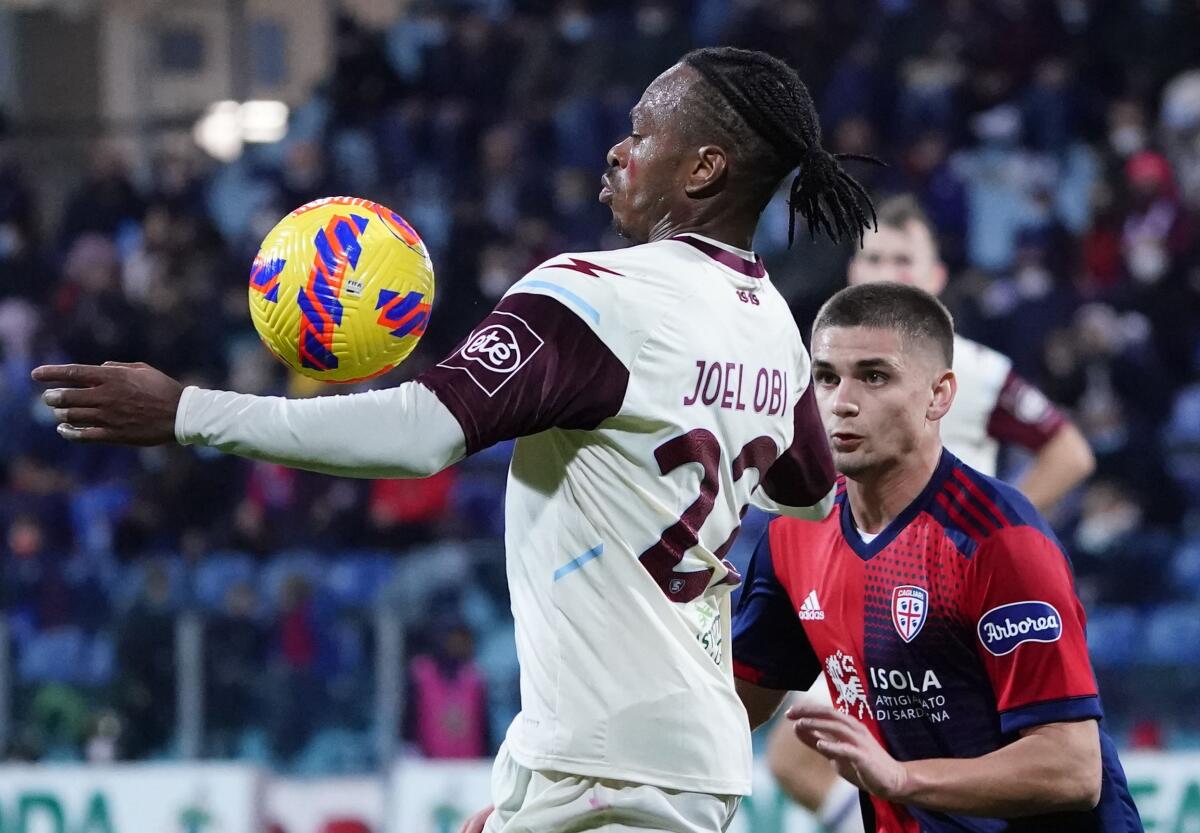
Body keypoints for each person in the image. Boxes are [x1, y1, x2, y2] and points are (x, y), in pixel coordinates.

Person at [33, 48, 875, 833]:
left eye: (644, 132)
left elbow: (418, 432)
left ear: (704, 168)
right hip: (650, 756)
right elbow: (808, 491)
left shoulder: (598, 296)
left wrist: (189, 412)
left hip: (608, 765)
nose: (618, 151)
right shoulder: (773, 328)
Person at [733, 282, 1143, 832]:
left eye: (874, 377)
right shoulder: (794, 532)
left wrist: (901, 778)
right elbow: (737, 704)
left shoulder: (998, 539)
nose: (842, 402)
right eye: (826, 378)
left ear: (940, 395)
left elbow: (1071, 767)